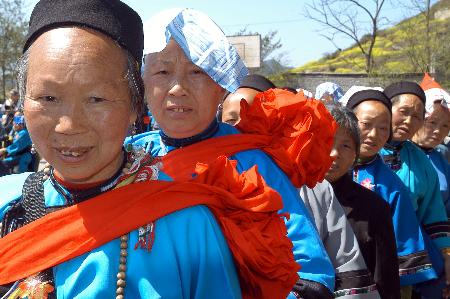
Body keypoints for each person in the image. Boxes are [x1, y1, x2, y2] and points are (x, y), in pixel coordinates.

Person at [0, 1, 300, 298]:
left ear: (134, 105)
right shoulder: (7, 203)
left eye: (97, 99)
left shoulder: (189, 226)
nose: (69, 126)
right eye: (48, 97)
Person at [133, 8, 338, 298]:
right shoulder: (130, 157)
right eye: (162, 72)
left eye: (197, 72)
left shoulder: (253, 162)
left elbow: (308, 273)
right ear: (143, 84)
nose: (177, 88)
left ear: (221, 86)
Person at [224, 74, 380, 298]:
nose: (242, 129)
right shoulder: (202, 179)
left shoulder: (316, 189)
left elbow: (345, 262)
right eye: (231, 121)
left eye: (257, 118)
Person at [345, 89, 439, 289]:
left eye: (382, 128)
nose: (374, 135)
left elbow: (407, 230)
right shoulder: (325, 167)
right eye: (366, 125)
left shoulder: (392, 182)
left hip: (369, 276)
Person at [380, 81, 450, 298]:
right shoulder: (362, 150)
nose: (410, 121)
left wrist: (446, 253)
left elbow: (433, 213)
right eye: (404, 112)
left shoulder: (421, 161)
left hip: (405, 258)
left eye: (418, 116)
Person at [325, 104, 400, 298]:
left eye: (346, 145)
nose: (334, 153)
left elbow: (385, 278)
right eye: (326, 140)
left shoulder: (374, 208)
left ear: (355, 156)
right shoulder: (289, 196)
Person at [412, 73, 450, 217]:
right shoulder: (396, 155)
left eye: (445, 126)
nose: (438, 131)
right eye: (432, 123)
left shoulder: (441, 158)